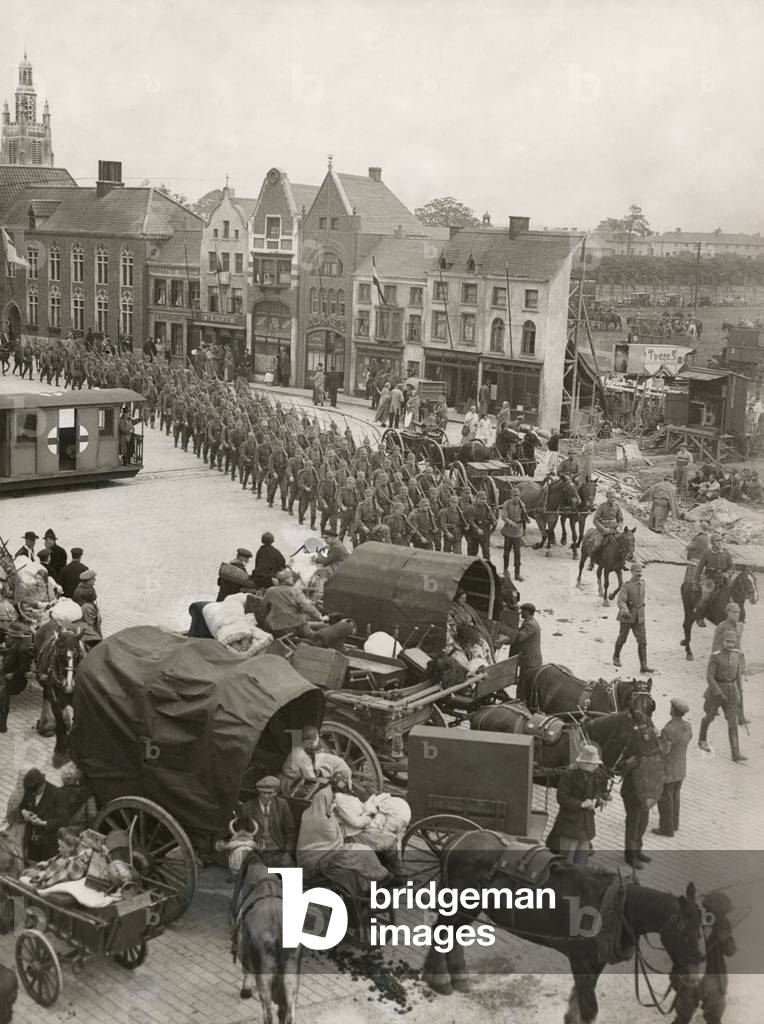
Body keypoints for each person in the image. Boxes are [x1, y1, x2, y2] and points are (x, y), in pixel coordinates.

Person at [551, 744, 608, 866]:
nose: (596, 766)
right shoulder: (569, 775)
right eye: (593, 764)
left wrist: (597, 801)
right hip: (570, 825)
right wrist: (581, 804)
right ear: (584, 763)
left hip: (586, 825)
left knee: (582, 861)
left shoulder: (597, 774)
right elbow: (562, 798)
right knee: (565, 861)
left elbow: (598, 791)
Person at [700, 629, 746, 763]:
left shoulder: (737, 655)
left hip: (731, 692)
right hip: (716, 692)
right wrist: (718, 692)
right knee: (709, 717)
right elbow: (709, 676)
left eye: (733, 642)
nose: (730, 644)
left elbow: (738, 675)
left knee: (732, 722)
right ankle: (702, 739)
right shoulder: (716, 656)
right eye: (728, 642)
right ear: (722, 642)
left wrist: (739, 691)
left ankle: (735, 753)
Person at [652, 698, 691, 838]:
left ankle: (666, 829)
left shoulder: (669, 729)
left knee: (665, 798)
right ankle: (675, 823)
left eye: (671, 707)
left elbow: (664, 751)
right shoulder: (687, 726)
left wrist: (657, 740)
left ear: (673, 711)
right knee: (675, 796)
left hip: (667, 769)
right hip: (680, 767)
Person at [241, 777, 296, 868]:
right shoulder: (247, 807)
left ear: (275, 792)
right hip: (257, 853)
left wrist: (288, 853)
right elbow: (243, 833)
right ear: (258, 791)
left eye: (269, 793)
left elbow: (290, 832)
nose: (266, 796)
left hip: (278, 850)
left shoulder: (282, 804)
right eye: (263, 792)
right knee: (263, 879)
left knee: (292, 878)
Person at [613, 563, 655, 674]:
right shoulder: (626, 585)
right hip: (627, 617)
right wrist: (625, 610)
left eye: (640, 572)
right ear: (631, 572)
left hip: (639, 618)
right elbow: (621, 600)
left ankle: (643, 666)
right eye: (637, 572)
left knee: (642, 641)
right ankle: (616, 656)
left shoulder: (643, 583)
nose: (639, 574)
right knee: (622, 638)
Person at [260, 570, 327, 637]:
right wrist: (320, 617)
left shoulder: (271, 591)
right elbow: (306, 606)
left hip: (279, 628)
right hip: (298, 626)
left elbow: (263, 607)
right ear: (289, 580)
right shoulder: (294, 590)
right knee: (311, 635)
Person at [18, 769, 66, 861]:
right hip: (30, 839)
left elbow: (63, 820)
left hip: (47, 843)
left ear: (42, 785)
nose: (32, 794)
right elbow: (21, 806)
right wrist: (24, 812)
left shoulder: (58, 794)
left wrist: (43, 823)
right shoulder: (30, 789)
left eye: (35, 793)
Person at [694, 533, 734, 626]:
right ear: (712, 542)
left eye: (721, 540)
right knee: (705, 598)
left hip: (723, 579)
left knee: (734, 595)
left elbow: (732, 567)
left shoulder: (726, 552)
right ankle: (700, 617)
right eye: (717, 540)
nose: (720, 542)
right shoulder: (707, 553)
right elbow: (699, 568)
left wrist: (728, 573)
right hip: (709, 579)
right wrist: (696, 581)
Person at [511, 603, 542, 703]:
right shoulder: (529, 622)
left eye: (522, 610)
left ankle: (522, 703)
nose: (520, 612)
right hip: (529, 659)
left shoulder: (531, 624)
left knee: (525, 684)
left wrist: (508, 635)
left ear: (528, 612)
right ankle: (520, 701)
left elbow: (521, 637)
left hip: (531, 660)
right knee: (523, 683)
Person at [587, 489, 623, 568]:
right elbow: (595, 520)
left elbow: (620, 519)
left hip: (614, 530)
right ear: (607, 497)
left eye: (614, 497)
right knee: (596, 545)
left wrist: (619, 526)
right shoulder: (601, 506)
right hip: (603, 531)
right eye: (611, 497)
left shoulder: (617, 507)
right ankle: (592, 561)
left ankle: (622, 562)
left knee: (623, 543)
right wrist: (603, 529)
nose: (612, 499)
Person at [500, 485, 528, 581]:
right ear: (511, 496)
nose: (516, 497)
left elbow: (524, 517)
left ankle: (517, 573)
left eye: (517, 495)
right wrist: (511, 523)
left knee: (518, 553)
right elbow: (504, 516)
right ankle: (505, 570)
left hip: (517, 533)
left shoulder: (522, 504)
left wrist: (524, 527)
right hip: (508, 531)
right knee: (506, 552)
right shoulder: (506, 504)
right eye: (514, 495)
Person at [466, 489, 496, 558]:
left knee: (486, 553)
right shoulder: (472, 508)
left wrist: (492, 528)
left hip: (485, 533)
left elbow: (493, 521)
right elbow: (471, 521)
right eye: (481, 499)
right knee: (473, 552)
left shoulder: (488, 509)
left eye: (484, 499)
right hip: (474, 534)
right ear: (477, 499)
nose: (483, 500)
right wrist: (477, 529)